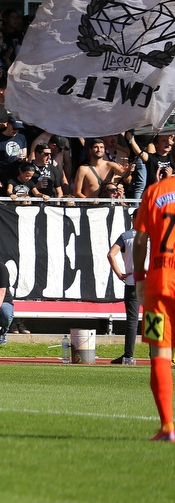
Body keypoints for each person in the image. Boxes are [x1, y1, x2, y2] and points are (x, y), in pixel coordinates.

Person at [133, 176, 175, 440]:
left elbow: (140, 241)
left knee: (159, 353)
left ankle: (168, 426)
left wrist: (139, 279)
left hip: (159, 284)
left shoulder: (156, 191)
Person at [107, 223, 139, 366]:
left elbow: (111, 254)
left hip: (132, 281)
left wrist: (120, 274)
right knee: (153, 319)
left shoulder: (126, 236)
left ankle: (128, 356)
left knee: (132, 321)